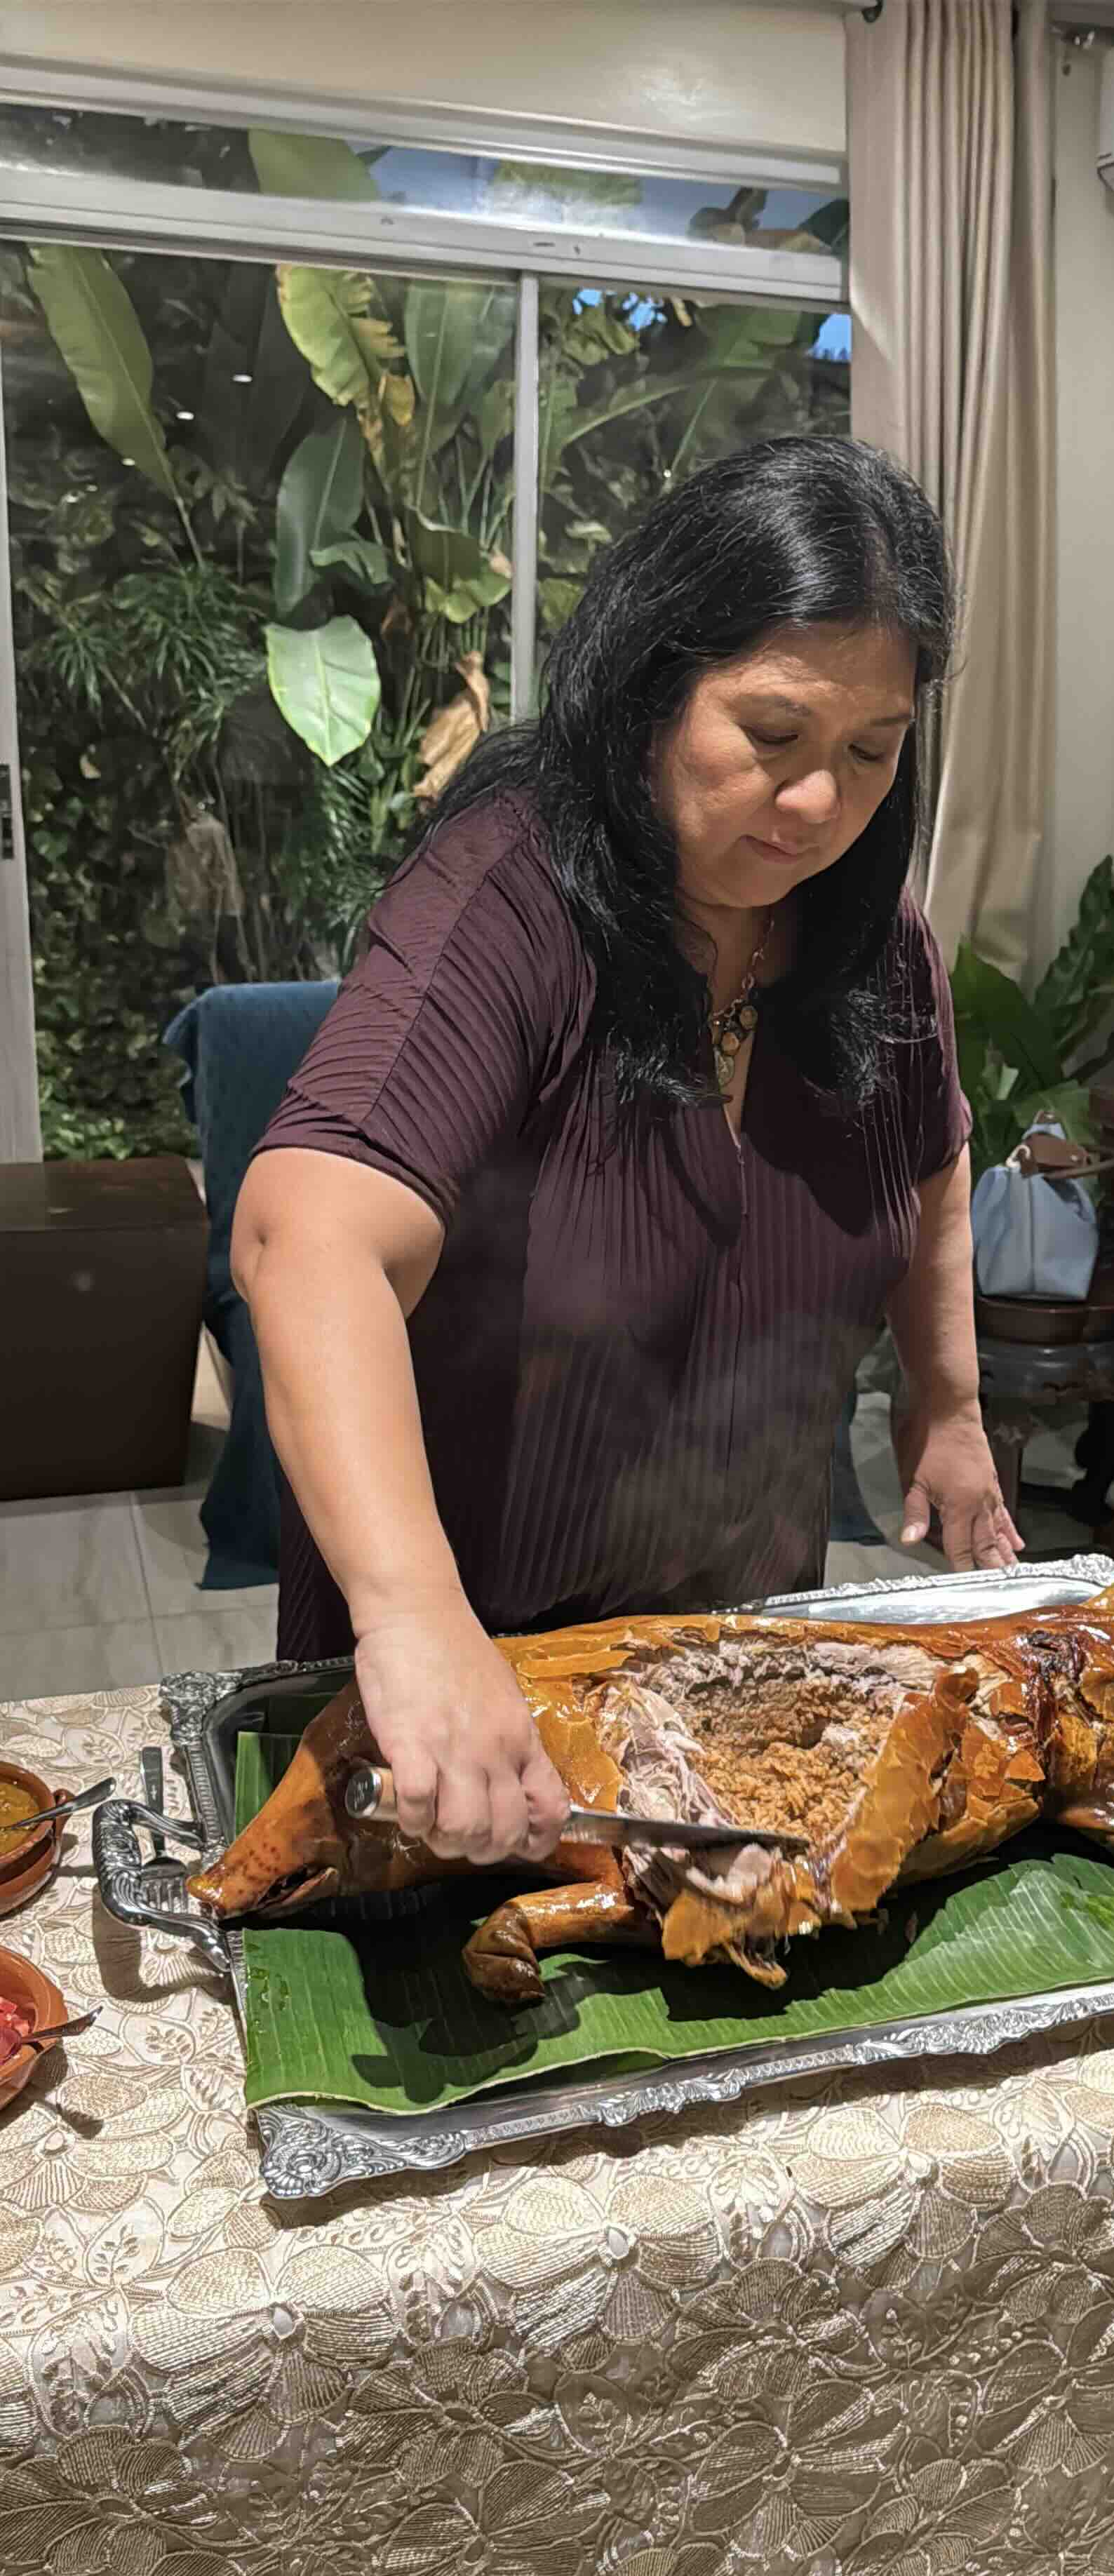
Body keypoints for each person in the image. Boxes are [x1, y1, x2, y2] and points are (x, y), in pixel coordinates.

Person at [231, 435, 1021, 1871]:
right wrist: (415, 1618)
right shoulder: (509, 897)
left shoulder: (873, 944)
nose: (815, 809)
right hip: (479, 1677)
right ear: (653, 684)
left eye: (869, 753)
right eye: (769, 736)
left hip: (737, 1662)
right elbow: (309, 1235)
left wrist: (947, 1399)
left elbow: (931, 1160)